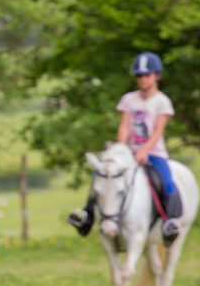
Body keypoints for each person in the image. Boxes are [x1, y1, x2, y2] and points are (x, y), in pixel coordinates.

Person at [67, 51, 183, 243]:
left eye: (147, 75)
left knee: (167, 182)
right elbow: (124, 125)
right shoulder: (129, 99)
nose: (143, 79)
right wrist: (121, 148)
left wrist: (145, 150)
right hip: (129, 152)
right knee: (101, 175)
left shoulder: (162, 101)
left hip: (153, 152)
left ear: (156, 76)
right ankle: (87, 215)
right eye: (139, 76)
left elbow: (157, 131)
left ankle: (168, 222)